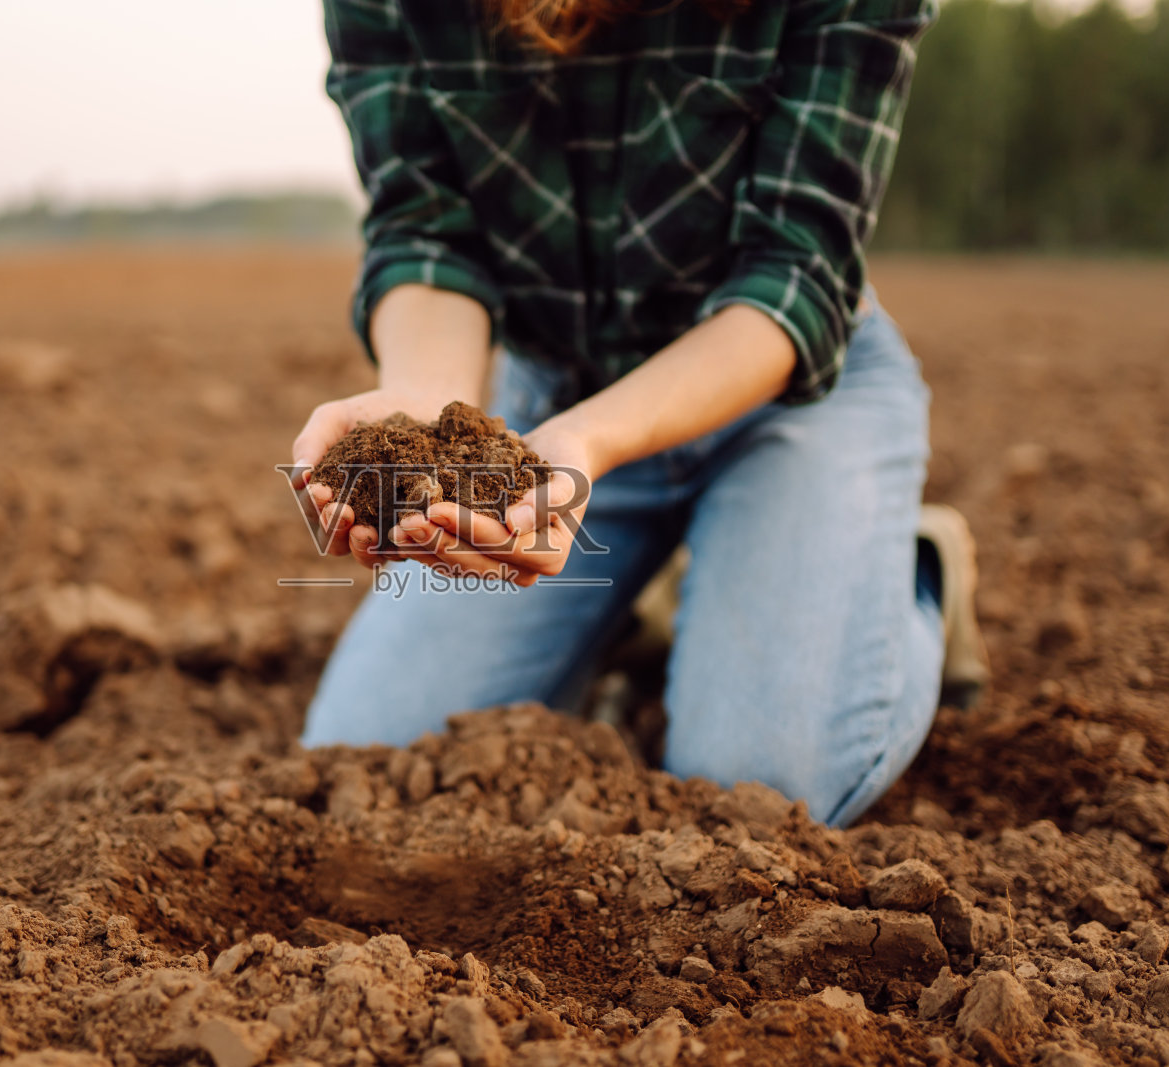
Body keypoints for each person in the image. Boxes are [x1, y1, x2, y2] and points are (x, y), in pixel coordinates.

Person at [289, 0, 989, 827]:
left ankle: (905, 572)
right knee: (367, 758)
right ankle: (642, 606)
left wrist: (592, 440)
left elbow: (795, 271)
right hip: (558, 399)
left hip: (789, 391)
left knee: (759, 789)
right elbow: (427, 236)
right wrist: (419, 416)